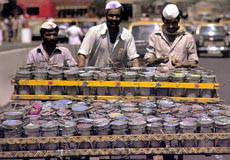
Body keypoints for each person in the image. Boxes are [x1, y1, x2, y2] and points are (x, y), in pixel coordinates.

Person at [77, 0, 139, 68]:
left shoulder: (127, 35)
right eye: (111, 15)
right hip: (96, 76)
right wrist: (82, 74)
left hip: (118, 77)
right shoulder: (94, 32)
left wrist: (136, 73)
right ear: (106, 15)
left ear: (121, 17)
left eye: (117, 16)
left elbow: (134, 59)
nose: (114, 18)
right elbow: (82, 55)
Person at [144, 3, 198, 69]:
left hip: (181, 77)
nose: (171, 26)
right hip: (160, 77)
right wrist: (158, 60)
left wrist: (183, 64)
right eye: (167, 22)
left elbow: (194, 62)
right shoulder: (155, 37)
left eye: (174, 23)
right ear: (163, 20)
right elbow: (148, 60)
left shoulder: (187, 37)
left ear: (178, 20)